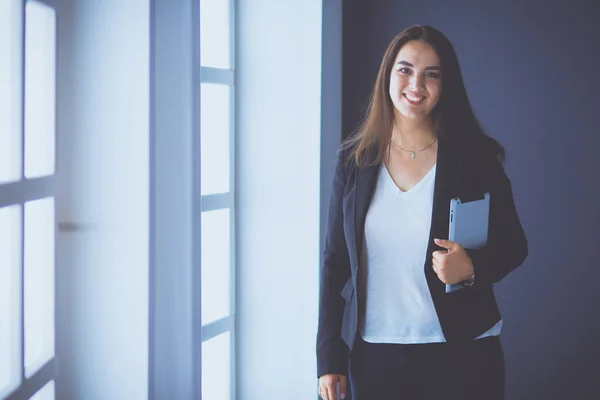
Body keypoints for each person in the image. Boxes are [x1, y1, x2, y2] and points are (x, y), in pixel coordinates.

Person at [316, 25, 528, 400]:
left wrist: (473, 268)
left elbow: (514, 245)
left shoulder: (475, 158)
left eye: (432, 74)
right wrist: (330, 355)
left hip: (465, 353)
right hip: (377, 354)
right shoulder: (354, 162)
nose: (417, 83)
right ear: (388, 75)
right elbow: (334, 261)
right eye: (406, 69)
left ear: (446, 84)